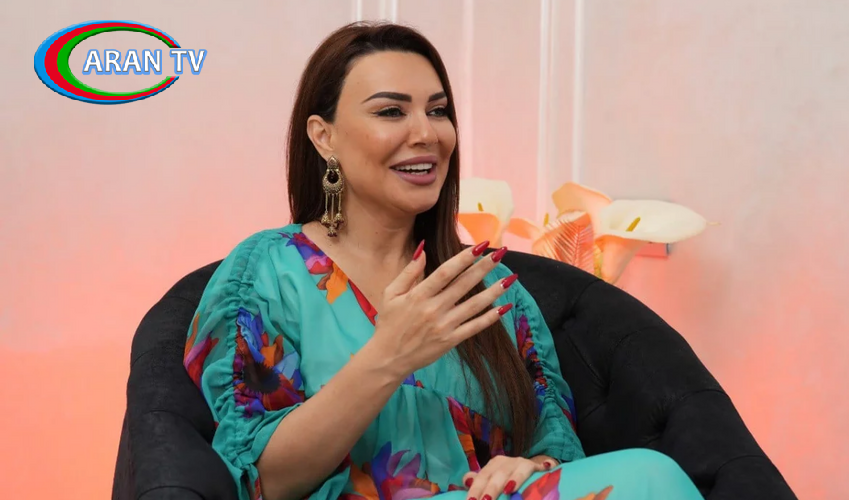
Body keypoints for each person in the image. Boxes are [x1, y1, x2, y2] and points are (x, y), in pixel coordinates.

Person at [183, 21, 704, 500]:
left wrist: (529, 467)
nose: (428, 133)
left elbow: (555, 447)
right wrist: (388, 356)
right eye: (391, 112)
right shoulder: (265, 274)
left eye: (437, 111)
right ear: (325, 137)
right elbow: (262, 480)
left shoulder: (491, 286)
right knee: (650, 477)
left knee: (648, 477)